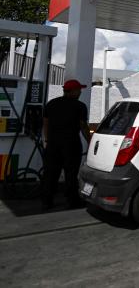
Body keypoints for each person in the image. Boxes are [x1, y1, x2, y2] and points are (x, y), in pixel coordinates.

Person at [41, 79, 90, 210]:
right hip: (71, 145)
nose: (80, 92)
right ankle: (72, 201)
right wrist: (90, 141)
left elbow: (45, 123)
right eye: (79, 90)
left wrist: (47, 140)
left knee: (50, 174)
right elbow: (83, 126)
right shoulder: (80, 106)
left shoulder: (51, 104)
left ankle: (47, 201)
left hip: (52, 145)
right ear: (73, 91)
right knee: (71, 174)